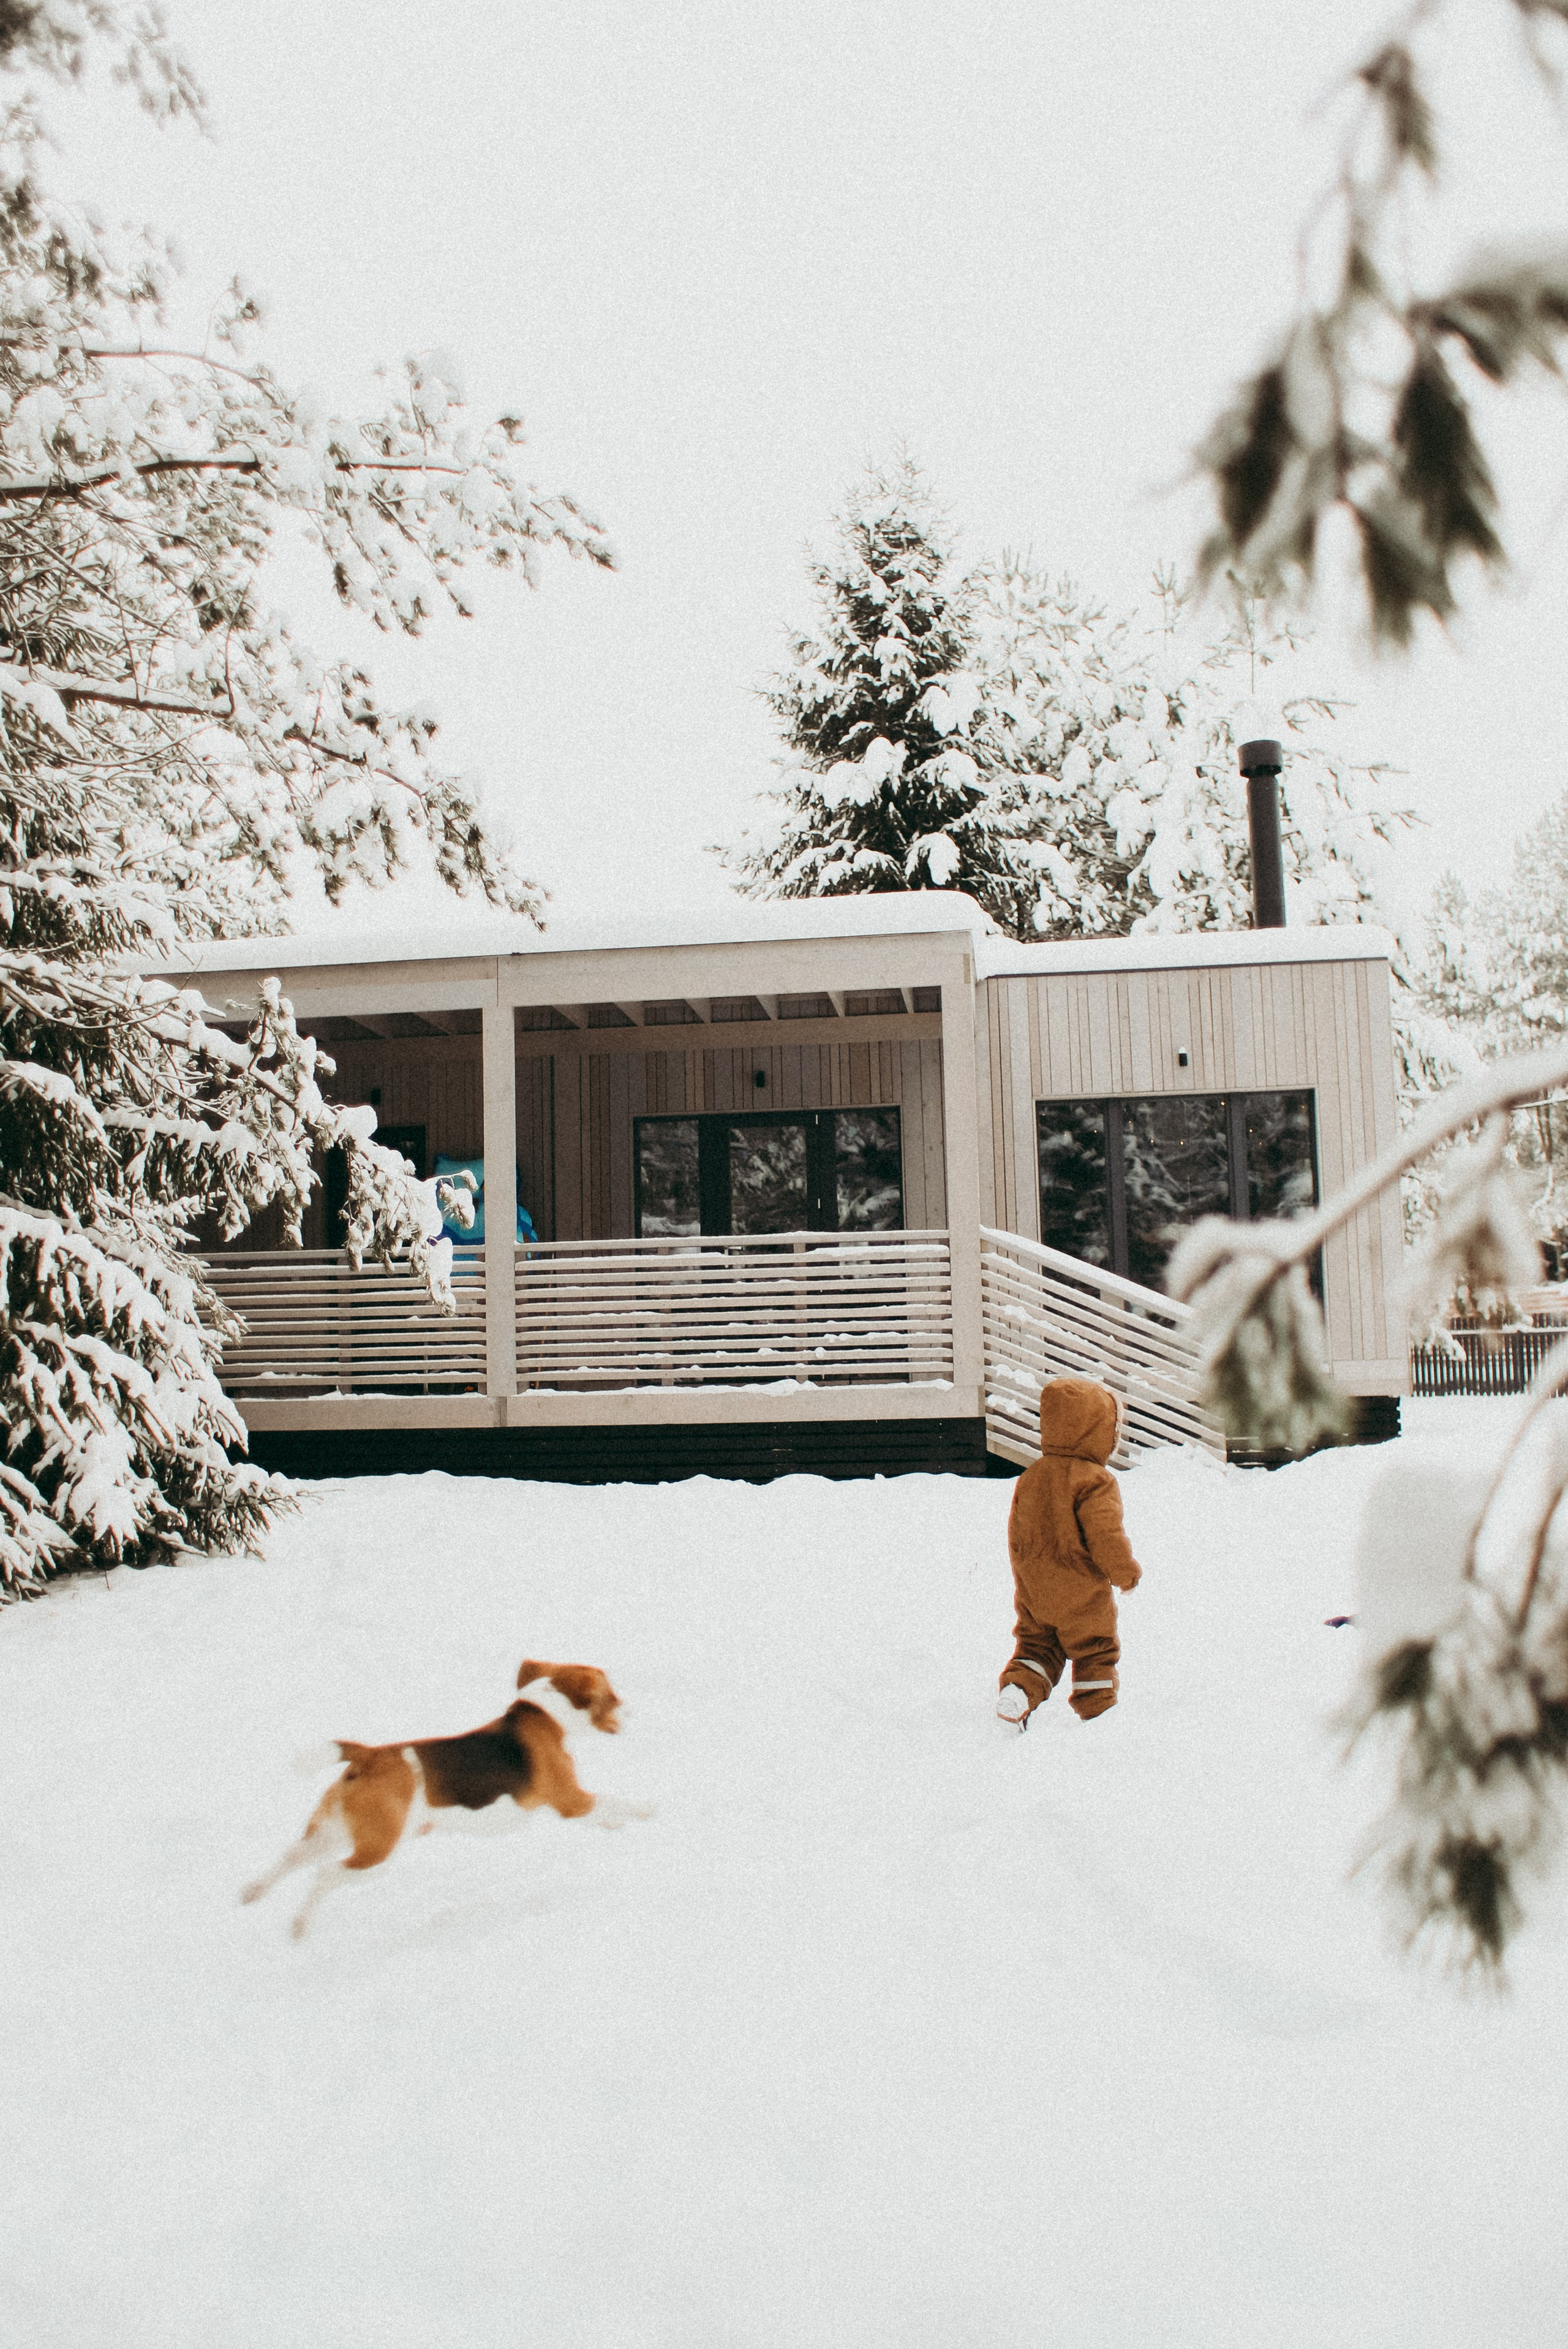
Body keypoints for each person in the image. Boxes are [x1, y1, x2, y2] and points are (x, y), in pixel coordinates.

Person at [997, 1376, 1142, 1729]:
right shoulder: (1095, 1480)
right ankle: (1100, 1715)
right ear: (1099, 1431)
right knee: (1095, 1649)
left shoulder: (1032, 1477)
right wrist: (1126, 1573)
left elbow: (1018, 1532)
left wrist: (1029, 1577)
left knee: (1037, 1648)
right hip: (1082, 1592)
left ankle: (1018, 1690)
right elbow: (1105, 1535)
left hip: (1035, 1588)